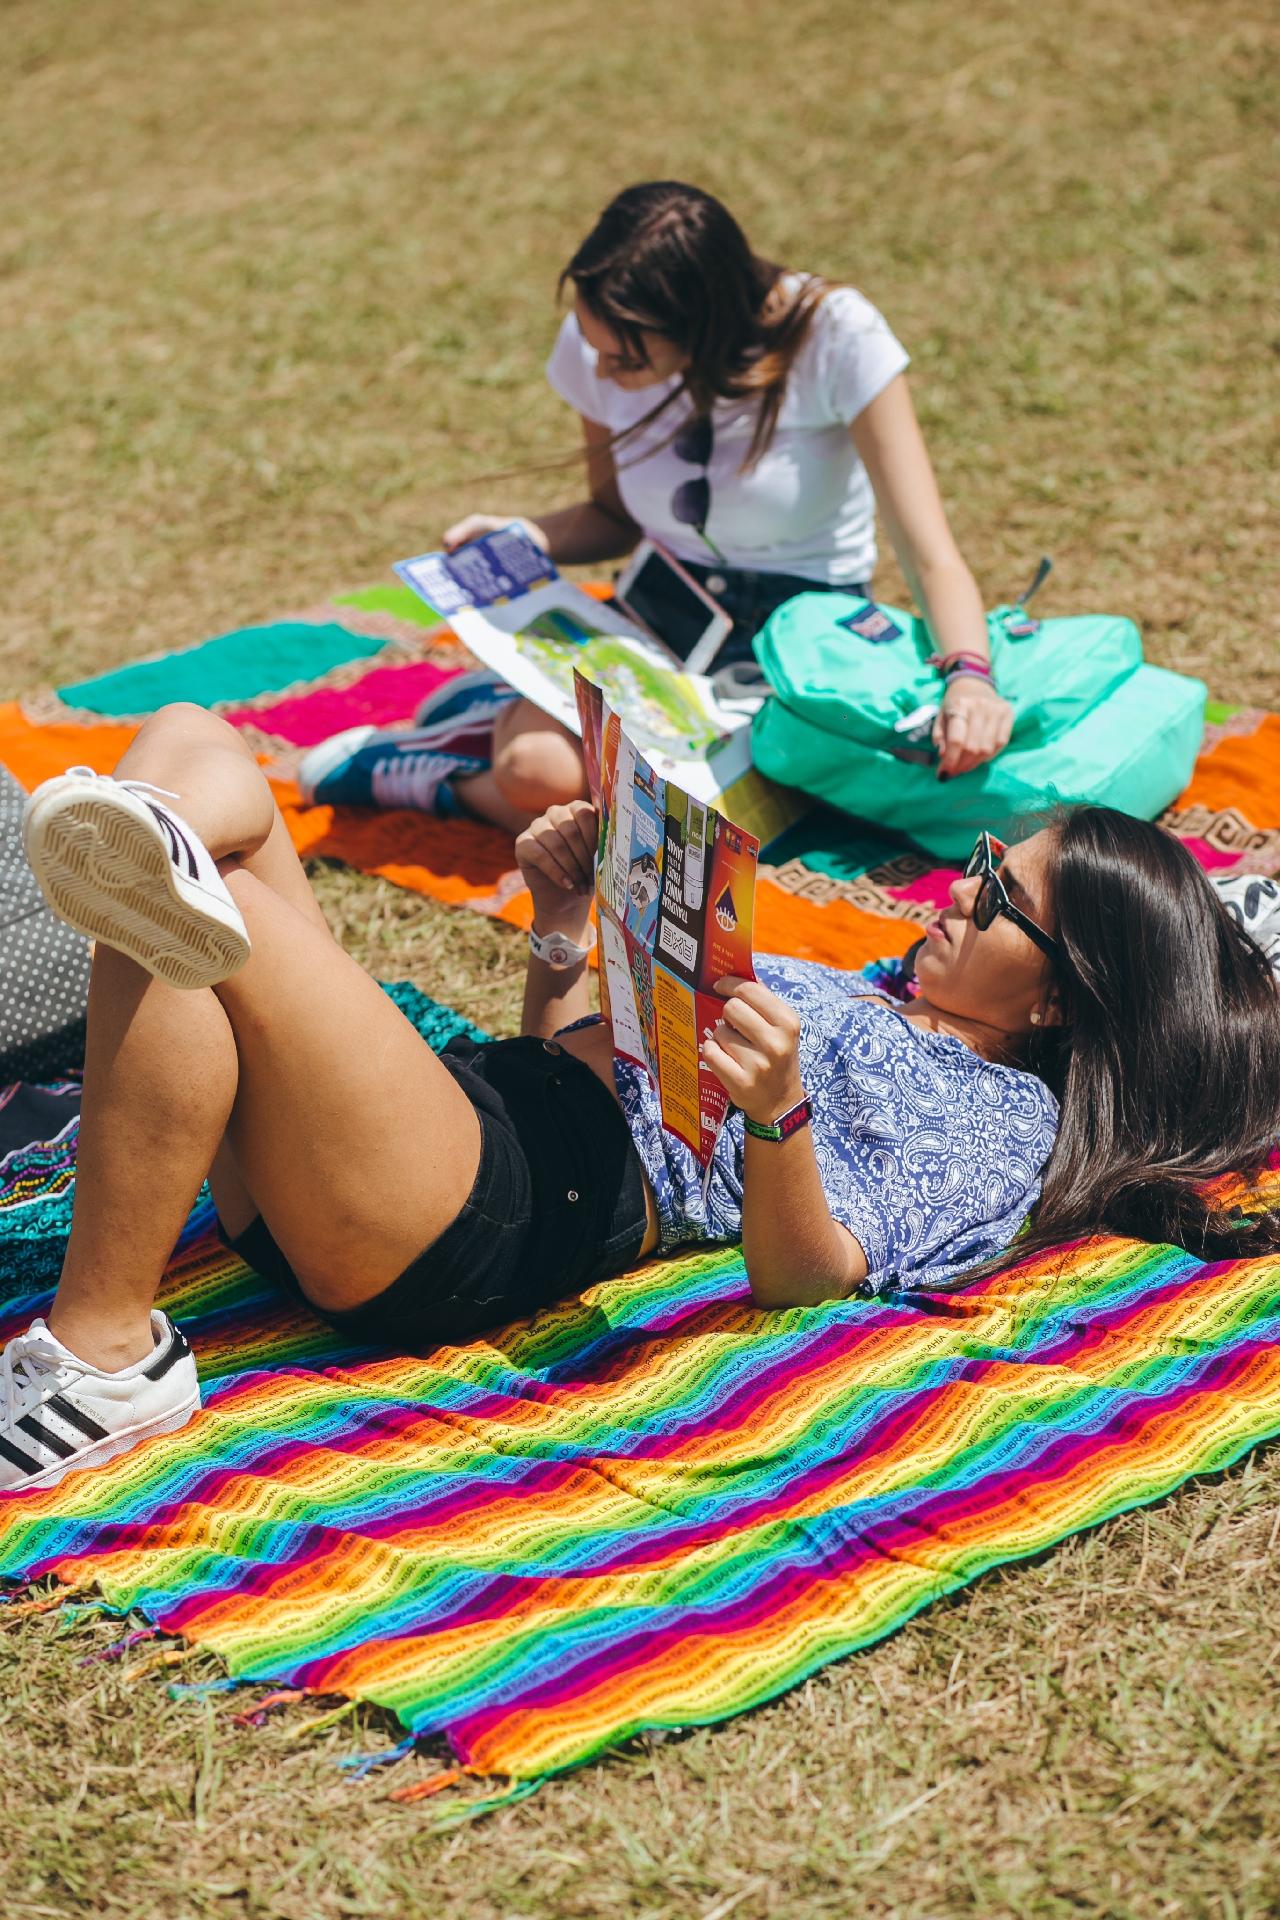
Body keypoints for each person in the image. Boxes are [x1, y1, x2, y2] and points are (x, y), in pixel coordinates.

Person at [4, 705, 1280, 1493]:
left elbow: (810, 1277)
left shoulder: (1001, 1127)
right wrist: (563, 925)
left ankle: (108, 1353)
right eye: (989, 859)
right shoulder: (877, 982)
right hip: (456, 1132)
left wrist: (779, 1114)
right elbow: (576, 1057)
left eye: (1000, 898)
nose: (959, 887)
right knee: (188, 748)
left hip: (490, 1217)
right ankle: (138, 840)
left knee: (183, 906)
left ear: (1060, 1002)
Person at [300, 181, 1015, 832]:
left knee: (697, 831)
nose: (603, 372)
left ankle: (471, 735)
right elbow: (612, 516)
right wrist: (525, 537)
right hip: (655, 620)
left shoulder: (835, 336)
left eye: (627, 362)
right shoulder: (605, 337)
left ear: (703, 327)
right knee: (537, 776)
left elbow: (931, 553)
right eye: (595, 350)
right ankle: (444, 775)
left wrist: (970, 677)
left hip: (798, 647)